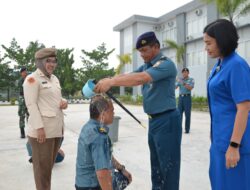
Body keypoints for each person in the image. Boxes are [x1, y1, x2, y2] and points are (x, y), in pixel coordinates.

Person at [95, 31, 182, 190]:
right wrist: (107, 80)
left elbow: (141, 78)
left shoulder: (165, 64)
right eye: (140, 52)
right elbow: (131, 75)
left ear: (156, 47)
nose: (142, 54)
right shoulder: (147, 66)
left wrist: (112, 81)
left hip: (167, 120)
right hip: (154, 121)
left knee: (168, 168)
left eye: (144, 50)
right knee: (156, 167)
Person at [204, 19, 250, 190]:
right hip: (219, 141)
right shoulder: (220, 64)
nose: (206, 48)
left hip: (234, 144)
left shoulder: (237, 65)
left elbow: (244, 107)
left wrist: (234, 146)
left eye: (209, 43)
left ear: (222, 40)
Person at [23, 48, 68, 190]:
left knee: (47, 170)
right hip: (43, 133)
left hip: (56, 131)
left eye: (54, 61)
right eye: (48, 61)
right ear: (40, 62)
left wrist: (64, 101)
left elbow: (55, 98)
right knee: (42, 172)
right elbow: (31, 104)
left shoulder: (54, 79)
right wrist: (39, 128)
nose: (52, 64)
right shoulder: (32, 79)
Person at [75, 95, 132, 190]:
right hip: (92, 186)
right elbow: (102, 174)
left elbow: (107, 155)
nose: (114, 113)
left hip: (82, 183)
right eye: (112, 111)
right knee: (121, 178)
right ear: (103, 114)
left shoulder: (88, 127)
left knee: (124, 176)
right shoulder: (99, 136)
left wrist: (121, 168)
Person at [176, 68, 194, 134]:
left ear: (188, 73)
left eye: (186, 72)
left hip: (187, 98)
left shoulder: (191, 80)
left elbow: (190, 88)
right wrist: (175, 81)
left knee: (187, 114)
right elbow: (175, 87)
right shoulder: (180, 80)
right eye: (183, 72)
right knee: (179, 114)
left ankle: (187, 129)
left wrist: (183, 83)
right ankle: (179, 129)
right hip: (181, 98)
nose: (184, 73)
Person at [18, 67, 29, 138]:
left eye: (26, 71)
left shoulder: (29, 79)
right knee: (22, 116)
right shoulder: (20, 80)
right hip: (22, 99)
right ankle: (22, 132)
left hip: (28, 99)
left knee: (30, 116)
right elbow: (22, 90)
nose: (25, 73)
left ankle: (31, 132)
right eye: (24, 72)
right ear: (21, 73)